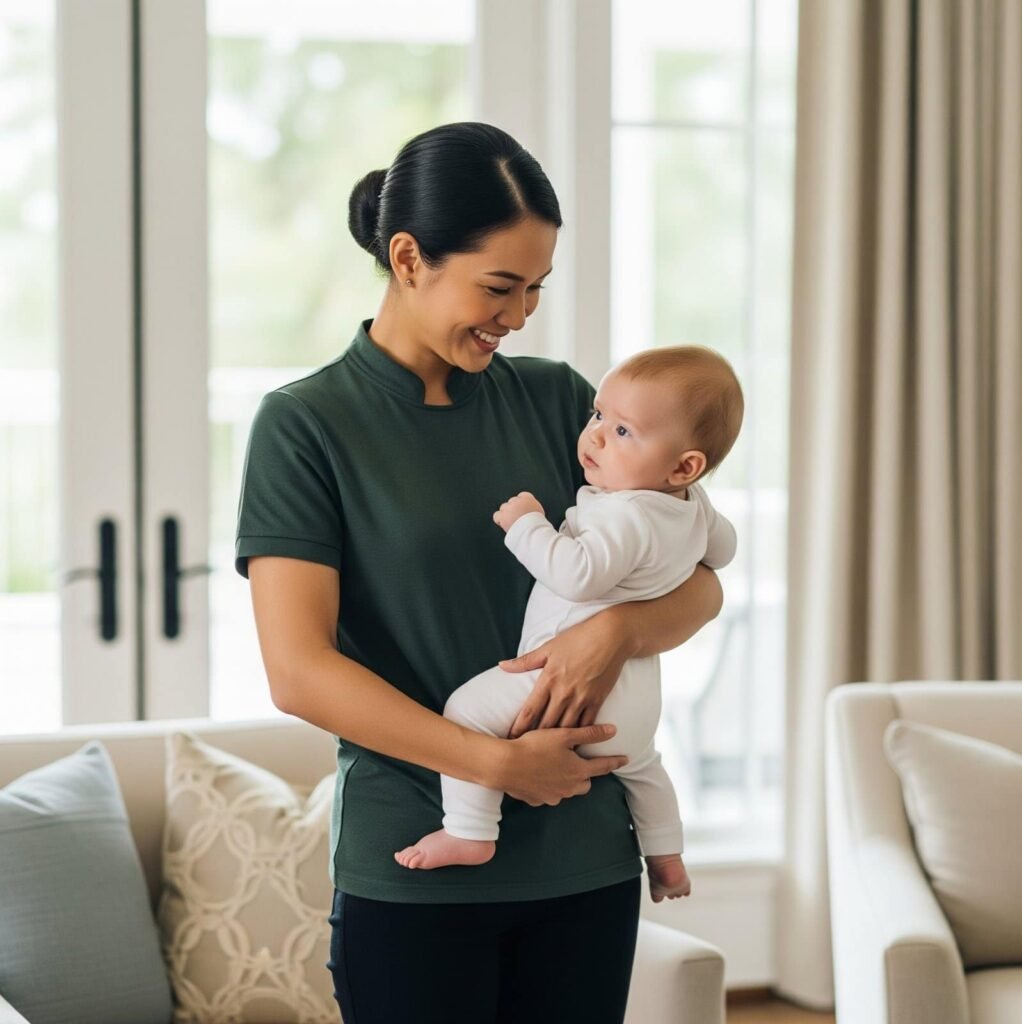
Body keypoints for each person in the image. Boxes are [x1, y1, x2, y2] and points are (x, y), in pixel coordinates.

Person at [235, 122, 724, 1024]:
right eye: (499, 286)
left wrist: (614, 632)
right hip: (415, 862)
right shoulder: (306, 426)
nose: (521, 314)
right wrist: (497, 765)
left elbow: (700, 583)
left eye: (536, 288)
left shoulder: (563, 401)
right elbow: (299, 671)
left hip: (585, 856)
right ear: (408, 258)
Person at [395, 345, 743, 907]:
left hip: (562, 681)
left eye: (623, 431)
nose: (596, 436)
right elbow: (722, 551)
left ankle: (469, 830)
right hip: (633, 700)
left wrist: (526, 524)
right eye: (598, 415)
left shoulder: (627, 514)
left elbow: (577, 574)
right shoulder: (692, 504)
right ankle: (666, 857)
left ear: (684, 465)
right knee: (643, 765)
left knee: (465, 711)